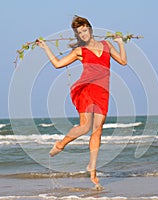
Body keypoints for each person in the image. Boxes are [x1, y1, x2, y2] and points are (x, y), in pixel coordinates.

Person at [37, 15, 127, 190]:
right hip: (86, 89)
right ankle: (61, 144)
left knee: (97, 130)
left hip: (103, 92)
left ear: (90, 29)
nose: (83, 34)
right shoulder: (80, 51)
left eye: (85, 30)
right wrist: (45, 47)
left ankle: (92, 168)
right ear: (77, 35)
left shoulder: (107, 46)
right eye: (79, 32)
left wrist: (121, 43)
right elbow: (57, 64)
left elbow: (123, 61)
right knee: (85, 127)